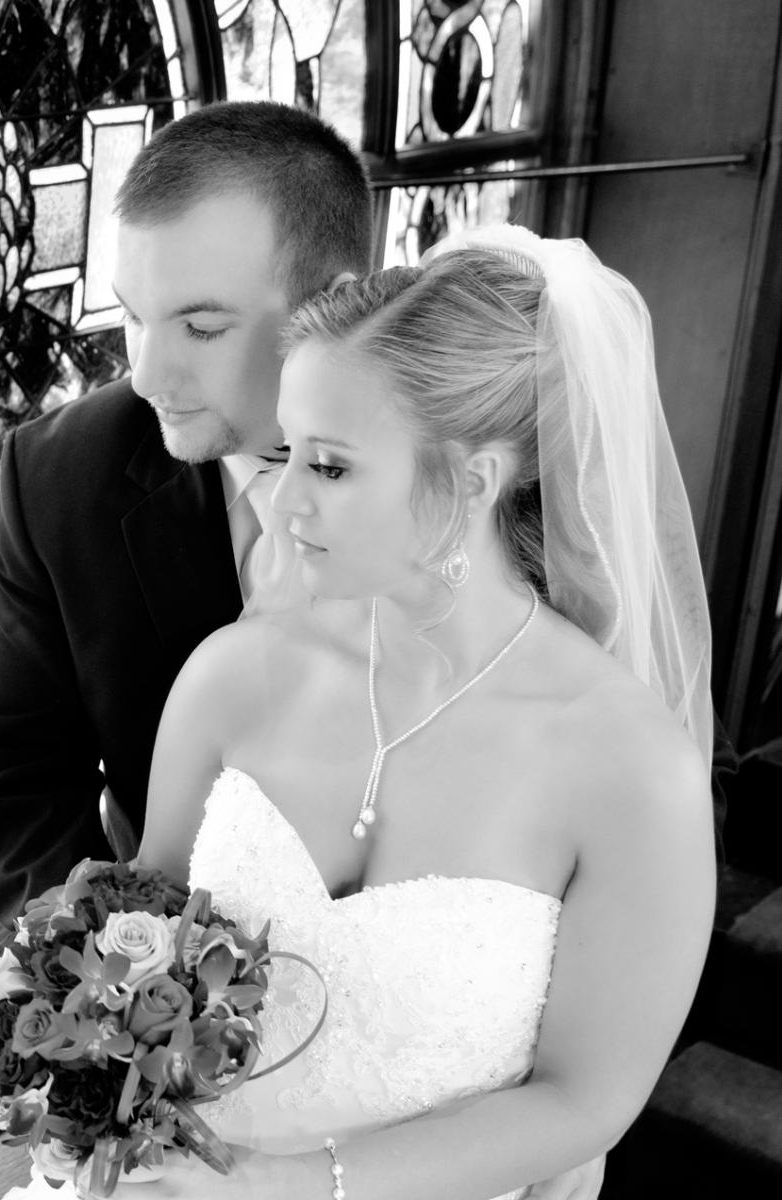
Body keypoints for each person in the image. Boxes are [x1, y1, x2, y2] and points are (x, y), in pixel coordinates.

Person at [111, 228, 714, 1199]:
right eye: (286, 454)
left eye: (333, 468)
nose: (280, 506)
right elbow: (134, 933)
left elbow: (582, 1099)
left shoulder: (632, 770)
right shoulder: (230, 678)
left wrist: (293, 1184)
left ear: (470, 481)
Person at [0, 101, 369, 924]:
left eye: (200, 328)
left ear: (333, 305)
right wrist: (111, 978)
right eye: (133, 317)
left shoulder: (472, 463)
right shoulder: (59, 473)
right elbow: (9, 764)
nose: (143, 375)